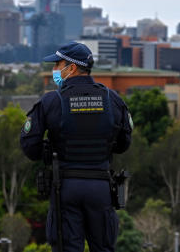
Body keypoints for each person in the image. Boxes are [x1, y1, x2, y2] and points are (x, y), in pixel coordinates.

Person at [20, 41, 133, 252]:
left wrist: (48, 151)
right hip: (101, 187)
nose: (54, 70)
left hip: (65, 188)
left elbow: (29, 145)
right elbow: (124, 144)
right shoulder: (112, 99)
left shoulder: (52, 101)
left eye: (57, 65)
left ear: (71, 67)